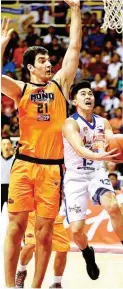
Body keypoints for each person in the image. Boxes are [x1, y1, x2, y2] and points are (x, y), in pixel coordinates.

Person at [1, 1, 81, 288]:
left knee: (45, 233)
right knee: (15, 229)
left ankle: (35, 286)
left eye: (50, 61)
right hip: (23, 165)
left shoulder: (60, 84)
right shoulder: (21, 89)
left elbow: (73, 49)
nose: (49, 65)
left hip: (51, 170)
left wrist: (75, 10)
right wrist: (1, 46)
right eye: (43, 62)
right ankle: (10, 286)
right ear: (31, 68)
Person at [62, 80, 123, 280]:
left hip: (96, 172)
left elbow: (108, 142)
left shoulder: (102, 122)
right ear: (74, 100)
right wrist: (99, 155)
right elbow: (79, 148)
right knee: (77, 232)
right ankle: (88, 253)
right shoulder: (70, 123)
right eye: (83, 94)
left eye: (90, 93)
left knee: (113, 207)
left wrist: (110, 152)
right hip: (75, 177)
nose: (88, 96)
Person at [15, 210, 70, 289]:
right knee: (31, 244)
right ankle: (21, 271)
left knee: (63, 248)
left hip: (52, 214)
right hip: (33, 213)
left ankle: (56, 283)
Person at [1, 137, 14, 211]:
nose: (6, 146)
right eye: (4, 144)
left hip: (12, 188)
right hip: (1, 186)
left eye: (8, 144)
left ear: (11, 145)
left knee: (12, 211)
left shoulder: (15, 160)